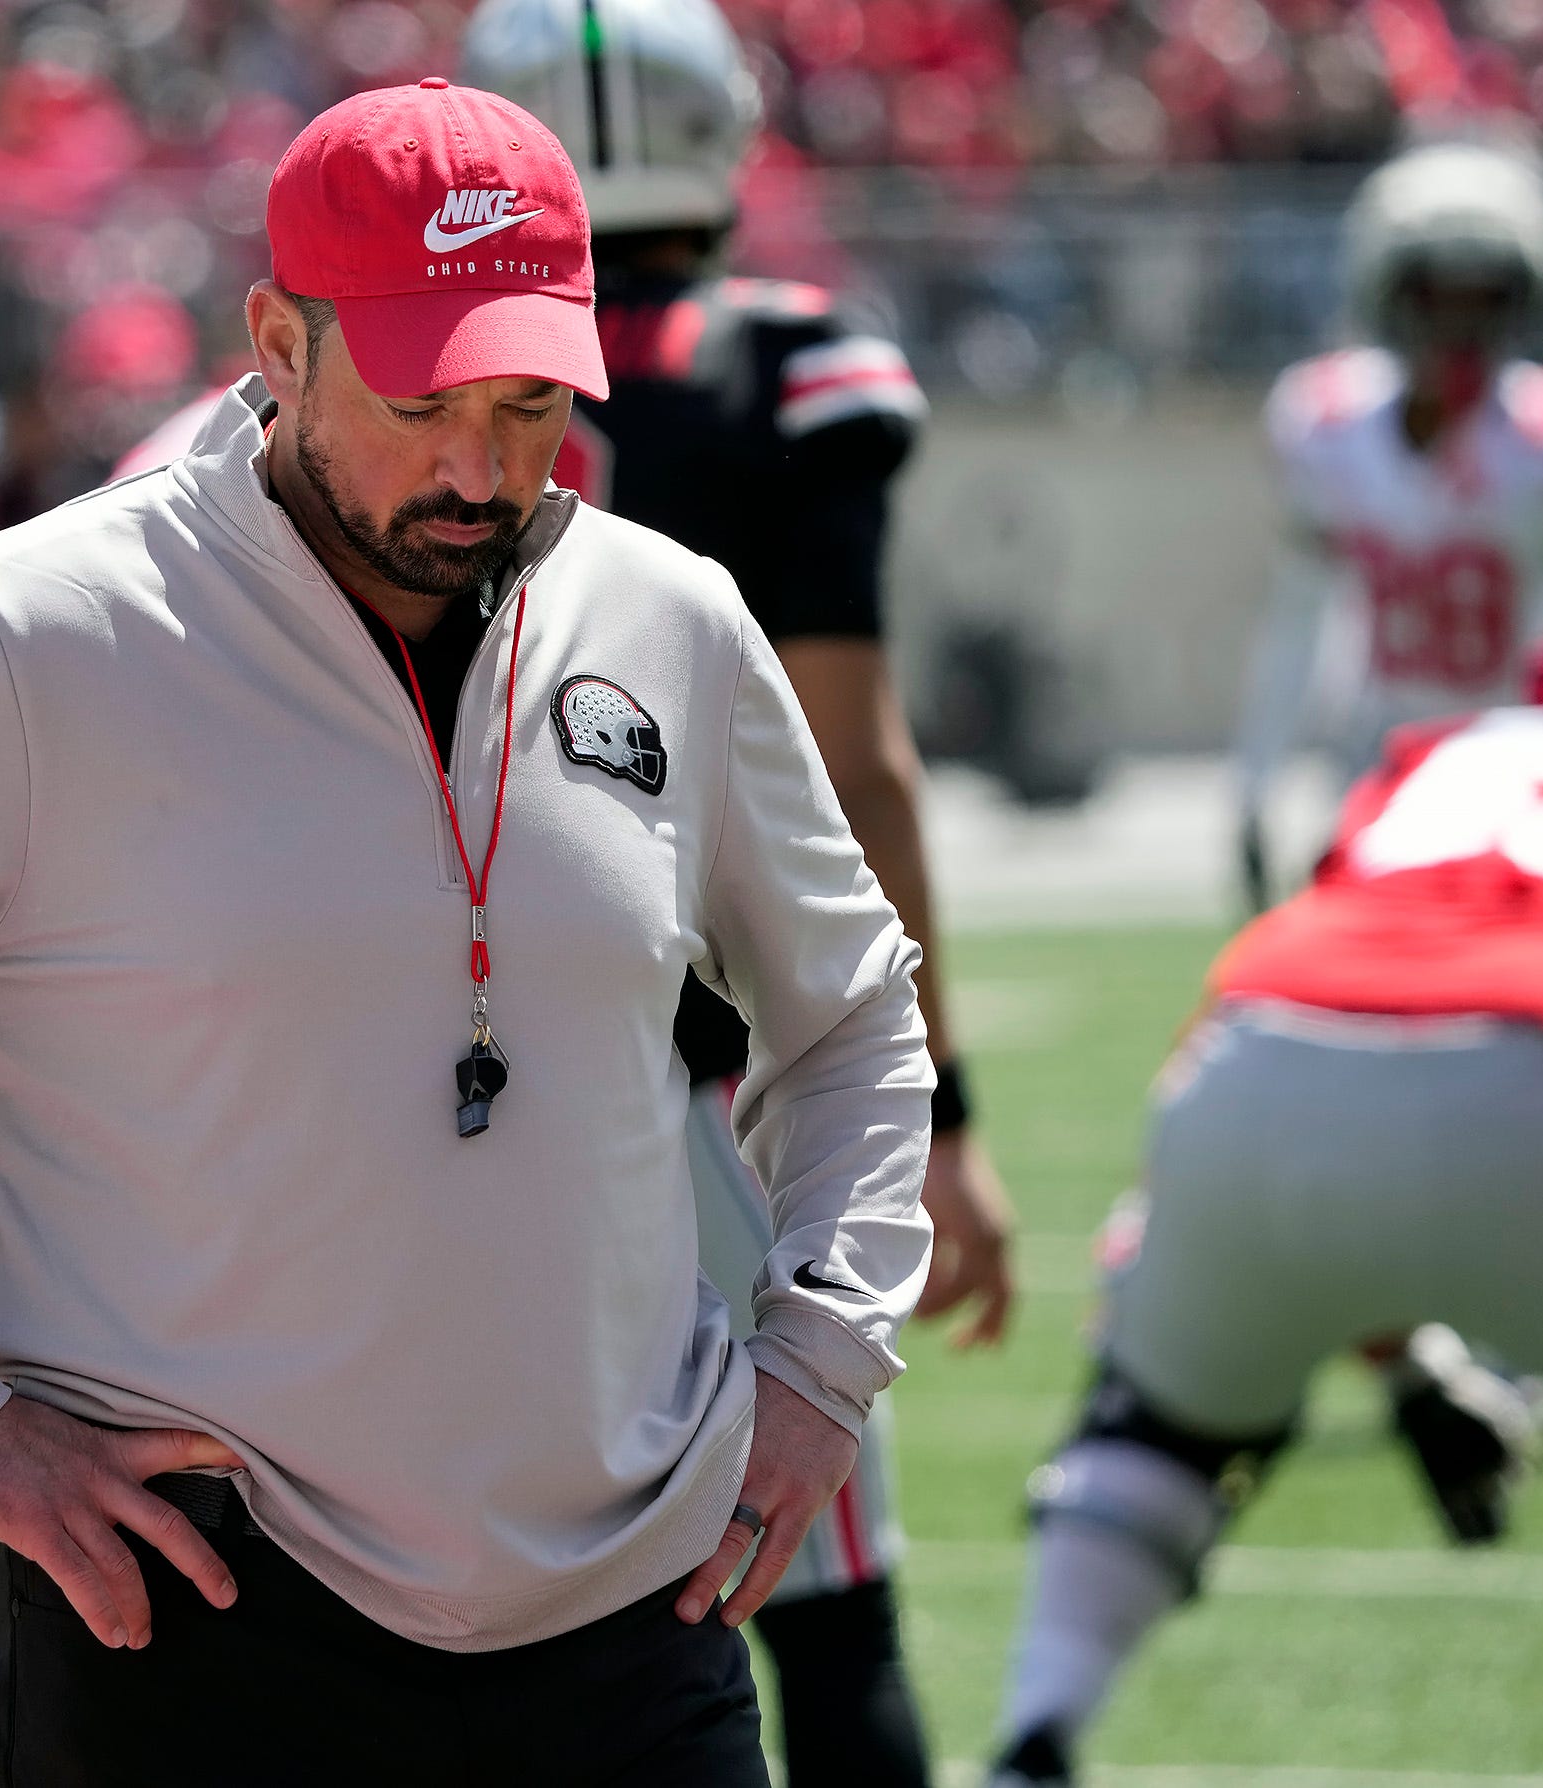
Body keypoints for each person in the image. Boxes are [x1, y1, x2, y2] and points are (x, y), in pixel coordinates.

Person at [0, 78, 938, 1788]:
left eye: (529, 401)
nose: (479, 467)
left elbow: (858, 1011)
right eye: (423, 396)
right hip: (188, 1627)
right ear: (279, 338)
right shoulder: (27, 636)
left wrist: (824, 1348)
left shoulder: (670, 615)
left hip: (633, 1631)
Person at [458, 2, 1013, 1779]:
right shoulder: (783, 369)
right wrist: (941, 1102)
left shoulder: (397, 375)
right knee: (819, 1577)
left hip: (424, 1046)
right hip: (690, 1053)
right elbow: (857, 768)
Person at [989, 537, 1543, 1786]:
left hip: (1250, 1065)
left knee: (1155, 1428)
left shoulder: (1441, 758)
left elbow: (1345, 1078)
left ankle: (1036, 1726)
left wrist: (1406, 1371)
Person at [1235, 133, 1543, 914]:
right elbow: (1300, 618)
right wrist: (1257, 779)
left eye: (1485, 294)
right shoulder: (1324, 421)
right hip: (1381, 763)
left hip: (1525, 766)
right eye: (1438, 292)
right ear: (1390, 291)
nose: (1461, 323)